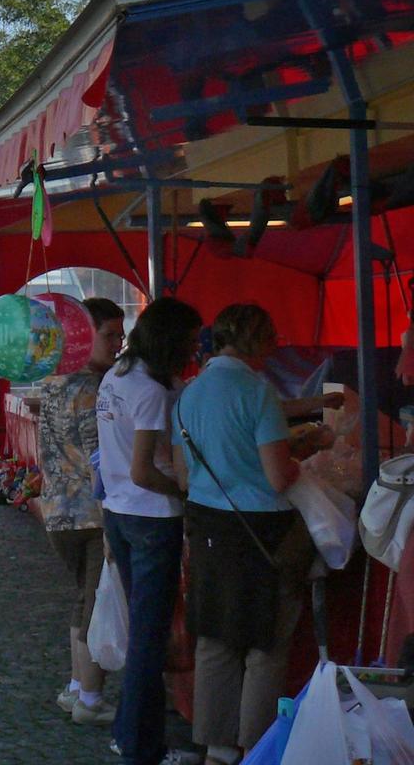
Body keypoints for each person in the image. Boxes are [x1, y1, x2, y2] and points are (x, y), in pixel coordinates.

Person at [172, 303, 318, 761]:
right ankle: (256, 747)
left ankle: (217, 747)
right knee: (264, 644)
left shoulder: (189, 395)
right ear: (257, 341)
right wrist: (302, 457)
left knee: (215, 640)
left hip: (207, 525)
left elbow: (181, 475)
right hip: (263, 531)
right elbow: (278, 477)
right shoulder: (258, 394)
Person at [97, 297, 203, 765]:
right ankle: (142, 747)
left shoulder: (117, 376)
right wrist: (184, 492)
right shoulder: (151, 392)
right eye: (190, 342)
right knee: (148, 639)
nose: (194, 350)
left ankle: (129, 733)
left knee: (145, 635)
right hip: (150, 518)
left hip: (119, 513)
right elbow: (144, 471)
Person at [35, 296, 124, 726]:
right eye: (109, 335)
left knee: (83, 601)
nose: (118, 344)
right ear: (83, 335)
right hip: (93, 516)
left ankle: (76, 686)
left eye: (120, 335)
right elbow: (101, 462)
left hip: (58, 513)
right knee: (95, 604)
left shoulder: (52, 383)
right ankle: (90, 697)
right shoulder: (96, 391)